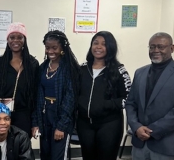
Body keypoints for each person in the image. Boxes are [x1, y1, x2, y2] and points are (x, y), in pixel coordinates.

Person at [77, 31, 131, 160]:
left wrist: (105, 104)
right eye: (95, 43)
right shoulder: (81, 69)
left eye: (104, 44)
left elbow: (128, 98)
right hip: (84, 125)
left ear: (110, 48)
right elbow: (73, 93)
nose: (99, 47)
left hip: (109, 125)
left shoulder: (119, 70)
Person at [32, 30, 81, 160]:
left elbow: (70, 99)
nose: (50, 51)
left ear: (62, 48)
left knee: (58, 157)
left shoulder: (69, 69)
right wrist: (36, 122)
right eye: (47, 48)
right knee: (45, 155)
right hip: (45, 116)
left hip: (61, 117)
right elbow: (37, 97)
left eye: (54, 48)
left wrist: (61, 126)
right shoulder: (42, 68)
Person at [126, 32, 174, 160]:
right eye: (152, 47)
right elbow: (130, 103)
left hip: (166, 146)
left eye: (160, 46)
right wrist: (136, 127)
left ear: (172, 48)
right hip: (139, 144)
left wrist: (151, 130)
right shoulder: (140, 72)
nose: (156, 50)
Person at [0, 22, 39, 137]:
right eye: (12, 37)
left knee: (21, 150)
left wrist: (35, 122)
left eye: (20, 37)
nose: (16, 41)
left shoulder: (32, 63)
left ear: (24, 40)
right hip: (2, 114)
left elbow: (36, 95)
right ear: (7, 40)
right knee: (3, 148)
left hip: (24, 115)